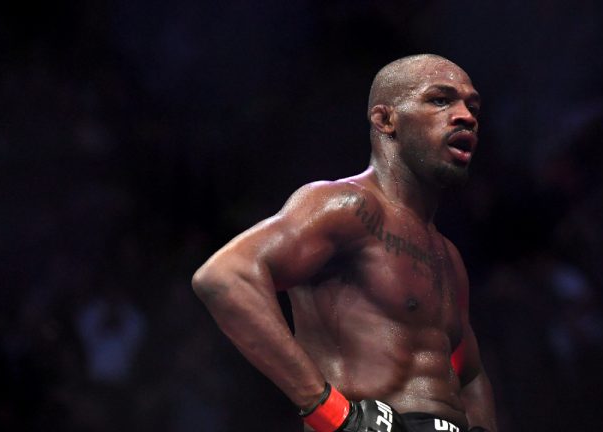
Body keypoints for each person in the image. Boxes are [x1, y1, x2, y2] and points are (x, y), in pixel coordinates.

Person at [192, 54, 497, 432]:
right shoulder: (346, 205)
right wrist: (332, 413)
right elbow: (225, 277)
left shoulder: (448, 256)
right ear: (386, 120)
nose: (466, 115)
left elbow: (469, 374)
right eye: (440, 99)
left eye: (473, 105)